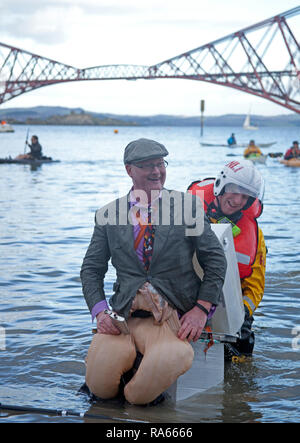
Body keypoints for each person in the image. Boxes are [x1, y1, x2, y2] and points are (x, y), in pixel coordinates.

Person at [80, 138, 227, 405]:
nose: (157, 171)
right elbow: (91, 269)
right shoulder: (107, 214)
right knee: (99, 386)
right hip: (122, 317)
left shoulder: (188, 207)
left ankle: (137, 405)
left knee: (163, 369)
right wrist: (100, 311)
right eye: (148, 165)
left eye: (160, 164)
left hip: (170, 318)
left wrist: (202, 309)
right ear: (129, 170)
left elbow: (215, 260)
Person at [188, 160, 266, 362]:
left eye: (246, 196)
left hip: (230, 308)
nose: (238, 200)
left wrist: (239, 314)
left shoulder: (255, 236)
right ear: (221, 185)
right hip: (185, 299)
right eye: (234, 190)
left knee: (243, 351)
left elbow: (255, 285)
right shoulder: (186, 213)